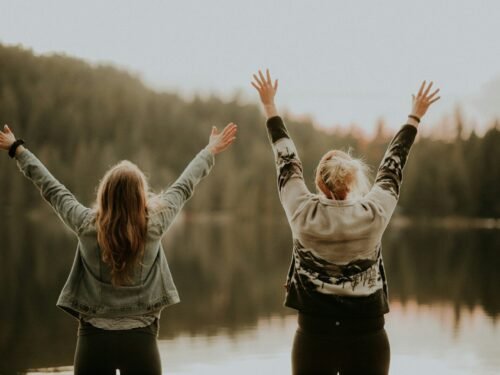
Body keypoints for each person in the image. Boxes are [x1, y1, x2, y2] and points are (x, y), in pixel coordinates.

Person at [0, 121, 238, 374]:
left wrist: (17, 149)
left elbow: (53, 189)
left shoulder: (85, 224)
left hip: (93, 339)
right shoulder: (154, 225)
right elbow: (184, 185)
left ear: (104, 194)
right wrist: (209, 151)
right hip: (141, 339)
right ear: (141, 196)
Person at [251, 69, 440, 375]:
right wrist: (414, 117)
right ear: (351, 182)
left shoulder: (302, 211)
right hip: (368, 335)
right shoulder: (373, 213)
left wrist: (270, 106)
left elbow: (285, 158)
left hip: (314, 334)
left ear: (320, 184)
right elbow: (393, 165)